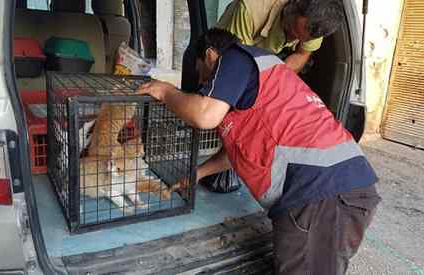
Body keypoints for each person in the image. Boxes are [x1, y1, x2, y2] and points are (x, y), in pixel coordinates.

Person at [138, 28, 381, 275]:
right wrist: (198, 173)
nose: (203, 83)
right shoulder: (251, 82)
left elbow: (203, 115)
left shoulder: (235, 58)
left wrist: (166, 92)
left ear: (210, 55)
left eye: (201, 72)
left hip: (323, 195)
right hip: (330, 193)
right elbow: (239, 152)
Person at [216, 0, 344, 72]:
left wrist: (279, 78)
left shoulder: (318, 23)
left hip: (262, 55)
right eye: (292, 31)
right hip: (222, 52)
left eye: (301, 39)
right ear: (294, 4)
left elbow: (302, 54)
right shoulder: (251, 8)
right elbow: (238, 63)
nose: (294, 40)